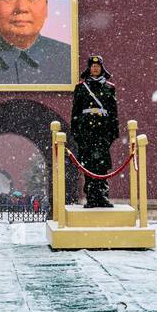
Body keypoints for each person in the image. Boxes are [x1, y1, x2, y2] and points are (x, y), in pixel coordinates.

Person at [69, 54, 118, 208]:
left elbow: (113, 112)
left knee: (102, 167)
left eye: (98, 66)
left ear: (102, 68)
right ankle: (91, 197)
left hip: (102, 133)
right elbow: (75, 112)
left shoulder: (110, 88)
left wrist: (112, 133)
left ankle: (102, 197)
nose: (95, 68)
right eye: (92, 66)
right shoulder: (81, 88)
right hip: (87, 132)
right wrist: (76, 133)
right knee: (88, 166)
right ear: (89, 68)